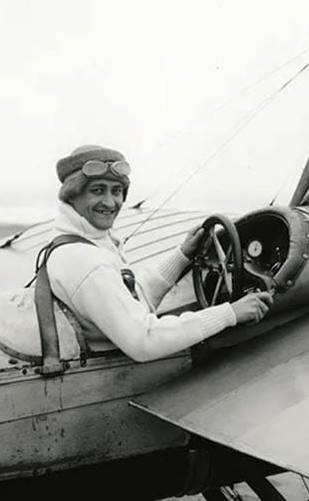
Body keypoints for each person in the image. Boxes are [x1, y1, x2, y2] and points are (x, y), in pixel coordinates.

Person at [41, 144, 273, 363]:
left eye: (117, 191)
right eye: (97, 191)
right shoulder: (86, 262)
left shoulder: (85, 241)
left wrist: (182, 255)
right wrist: (230, 313)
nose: (110, 202)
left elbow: (132, 299)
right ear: (72, 194)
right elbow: (145, 339)